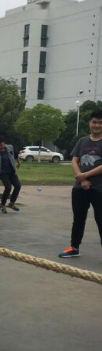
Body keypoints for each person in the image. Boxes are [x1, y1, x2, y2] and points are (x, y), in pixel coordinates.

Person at [59, 110, 102, 258]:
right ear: (89, 123)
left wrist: (85, 175)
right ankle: (74, 247)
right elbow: (75, 160)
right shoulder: (82, 141)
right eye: (94, 122)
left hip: (99, 188)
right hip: (79, 188)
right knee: (78, 219)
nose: (97, 125)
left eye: (100, 123)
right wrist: (82, 179)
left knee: (100, 219)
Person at [0, 138, 22, 214]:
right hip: (3, 173)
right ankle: (2, 204)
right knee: (8, 187)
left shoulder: (10, 147)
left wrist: (19, 163)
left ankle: (12, 203)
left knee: (18, 186)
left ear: (4, 143)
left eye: (1, 145)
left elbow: (16, 155)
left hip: (12, 171)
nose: (0, 147)